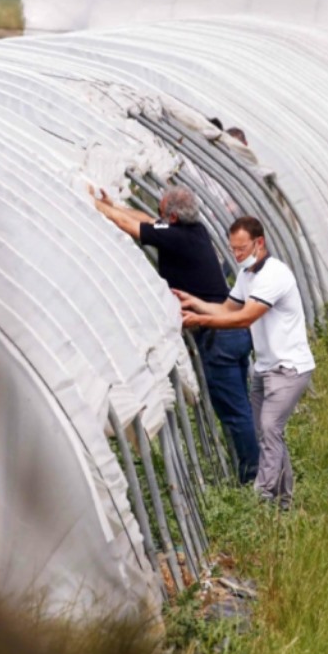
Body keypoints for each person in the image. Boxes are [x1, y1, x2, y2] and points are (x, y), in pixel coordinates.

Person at [90, 185, 260, 484]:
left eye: (162, 213)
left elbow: (131, 225)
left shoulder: (178, 238)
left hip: (219, 336)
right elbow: (144, 219)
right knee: (241, 405)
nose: (158, 217)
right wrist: (113, 203)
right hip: (232, 328)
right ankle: (257, 468)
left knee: (234, 411)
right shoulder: (193, 231)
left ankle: (255, 478)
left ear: (171, 216)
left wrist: (91, 202)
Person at [178, 217, 315, 509]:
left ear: (259, 243)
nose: (237, 255)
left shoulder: (274, 275)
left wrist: (201, 320)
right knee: (266, 432)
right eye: (233, 249)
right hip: (265, 368)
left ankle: (261, 499)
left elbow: (244, 318)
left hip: (288, 368)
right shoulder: (246, 275)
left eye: (242, 249)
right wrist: (193, 301)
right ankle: (283, 502)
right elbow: (227, 309)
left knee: (268, 428)